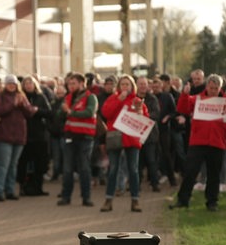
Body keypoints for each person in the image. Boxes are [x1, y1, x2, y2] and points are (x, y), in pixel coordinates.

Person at [169, 74, 226, 211]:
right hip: (198, 142)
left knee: (214, 175)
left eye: (216, 88)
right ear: (207, 86)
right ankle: (183, 200)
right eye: (211, 87)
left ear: (220, 88)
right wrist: (184, 94)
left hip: (217, 143)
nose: (213, 90)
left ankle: (212, 202)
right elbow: (182, 109)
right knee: (190, 172)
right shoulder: (197, 99)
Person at [100, 74, 148, 212]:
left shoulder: (137, 100)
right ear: (119, 86)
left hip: (131, 139)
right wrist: (118, 100)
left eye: (127, 84)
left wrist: (140, 113)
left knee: (133, 170)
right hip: (115, 137)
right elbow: (106, 113)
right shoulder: (113, 98)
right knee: (113, 169)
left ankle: (135, 201)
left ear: (132, 86)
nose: (125, 87)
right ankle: (108, 200)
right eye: (123, 84)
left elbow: (145, 119)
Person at [0, 75, 36, 201]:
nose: (11, 86)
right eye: (9, 83)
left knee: (13, 165)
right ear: (5, 85)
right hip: (3, 136)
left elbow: (30, 112)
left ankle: (10, 190)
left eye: (14, 84)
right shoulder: (0, 96)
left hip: (19, 135)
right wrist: (13, 104)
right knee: (3, 164)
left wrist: (22, 104)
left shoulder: (22, 96)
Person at [57, 73, 98, 207]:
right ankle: (66, 196)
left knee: (84, 168)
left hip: (85, 138)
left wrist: (70, 112)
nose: (70, 86)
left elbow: (89, 112)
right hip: (70, 137)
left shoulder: (90, 97)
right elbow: (59, 114)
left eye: (73, 83)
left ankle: (86, 197)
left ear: (82, 84)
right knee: (67, 169)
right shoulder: (68, 97)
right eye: (69, 84)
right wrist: (63, 111)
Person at [18, 76, 52, 196]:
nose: (28, 85)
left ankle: (38, 187)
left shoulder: (41, 97)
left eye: (30, 83)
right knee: (23, 163)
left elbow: (49, 112)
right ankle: (22, 187)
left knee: (40, 163)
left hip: (39, 135)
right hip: (24, 134)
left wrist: (37, 111)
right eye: (26, 83)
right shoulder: (20, 97)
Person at [136, 76, 161, 192]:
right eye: (140, 84)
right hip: (136, 135)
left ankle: (155, 184)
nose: (143, 86)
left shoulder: (152, 99)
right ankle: (137, 184)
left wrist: (144, 116)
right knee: (138, 162)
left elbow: (156, 114)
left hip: (150, 135)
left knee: (151, 160)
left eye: (144, 84)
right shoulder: (133, 98)